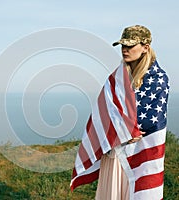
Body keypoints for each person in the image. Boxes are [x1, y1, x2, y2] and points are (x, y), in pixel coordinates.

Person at [70, 25, 169, 200]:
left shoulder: (158, 79)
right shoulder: (116, 78)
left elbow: (149, 121)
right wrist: (123, 130)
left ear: (145, 48)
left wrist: (124, 128)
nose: (125, 50)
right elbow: (102, 111)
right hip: (114, 152)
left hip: (138, 153)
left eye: (130, 45)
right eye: (123, 45)